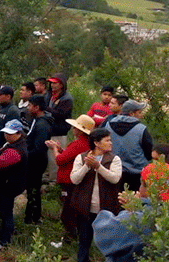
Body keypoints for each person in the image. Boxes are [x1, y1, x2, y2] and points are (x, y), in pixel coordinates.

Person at [70, 128, 122, 262]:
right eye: (107, 140)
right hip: (86, 208)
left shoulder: (114, 159)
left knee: (109, 245)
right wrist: (86, 166)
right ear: (96, 143)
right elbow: (74, 179)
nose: (111, 143)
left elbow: (115, 178)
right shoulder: (81, 157)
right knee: (84, 242)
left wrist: (98, 167)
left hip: (107, 208)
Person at [46, 114, 95, 243]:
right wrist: (61, 149)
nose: (73, 129)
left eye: (75, 127)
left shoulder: (78, 144)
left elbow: (60, 160)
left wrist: (54, 149)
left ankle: (69, 238)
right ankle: (74, 236)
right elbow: (69, 156)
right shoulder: (86, 143)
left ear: (79, 130)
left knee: (68, 211)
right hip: (75, 181)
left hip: (69, 181)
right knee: (72, 209)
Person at [0, 119, 28, 250]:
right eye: (6, 133)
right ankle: (5, 231)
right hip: (7, 185)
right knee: (4, 211)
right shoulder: (13, 144)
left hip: (8, 187)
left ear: (19, 133)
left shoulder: (16, 151)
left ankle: (4, 241)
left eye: (10, 133)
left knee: (6, 212)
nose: (7, 135)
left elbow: (0, 163)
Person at [104, 100, 153, 191]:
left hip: (113, 171)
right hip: (136, 174)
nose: (141, 115)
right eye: (139, 112)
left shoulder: (108, 125)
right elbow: (149, 153)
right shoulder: (141, 129)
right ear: (132, 113)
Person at [24, 94, 53, 224]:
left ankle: (34, 218)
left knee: (34, 189)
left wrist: (25, 155)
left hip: (36, 161)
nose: (28, 108)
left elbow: (39, 148)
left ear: (37, 107)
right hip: (33, 160)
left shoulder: (42, 125)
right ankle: (30, 215)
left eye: (30, 105)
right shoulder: (36, 119)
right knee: (31, 189)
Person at [44, 73, 74, 182]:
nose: (52, 85)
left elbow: (60, 114)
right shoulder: (49, 95)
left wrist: (46, 109)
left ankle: (55, 181)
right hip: (49, 129)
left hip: (59, 131)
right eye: (51, 83)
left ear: (61, 84)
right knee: (48, 156)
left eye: (55, 83)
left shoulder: (67, 99)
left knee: (55, 157)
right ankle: (48, 177)